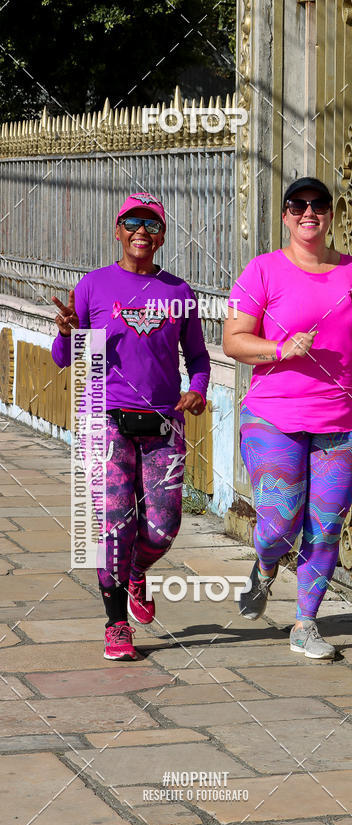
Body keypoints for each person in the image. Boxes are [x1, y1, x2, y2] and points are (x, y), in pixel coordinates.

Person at [223, 176, 352, 659]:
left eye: (318, 205)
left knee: (325, 526)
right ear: (286, 216)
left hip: (344, 420)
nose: (308, 213)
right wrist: (280, 349)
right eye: (298, 205)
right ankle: (265, 567)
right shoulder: (262, 270)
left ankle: (305, 623)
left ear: (331, 214)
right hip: (273, 415)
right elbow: (233, 340)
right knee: (277, 525)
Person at [51, 193, 210, 660]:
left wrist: (198, 390)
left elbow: (199, 357)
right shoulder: (93, 286)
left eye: (152, 224)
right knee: (114, 523)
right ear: (117, 231)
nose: (142, 230)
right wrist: (67, 334)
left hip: (164, 421)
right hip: (105, 417)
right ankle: (116, 623)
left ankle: (136, 571)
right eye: (133, 222)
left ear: (162, 236)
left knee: (163, 526)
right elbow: (65, 359)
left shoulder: (179, 292)